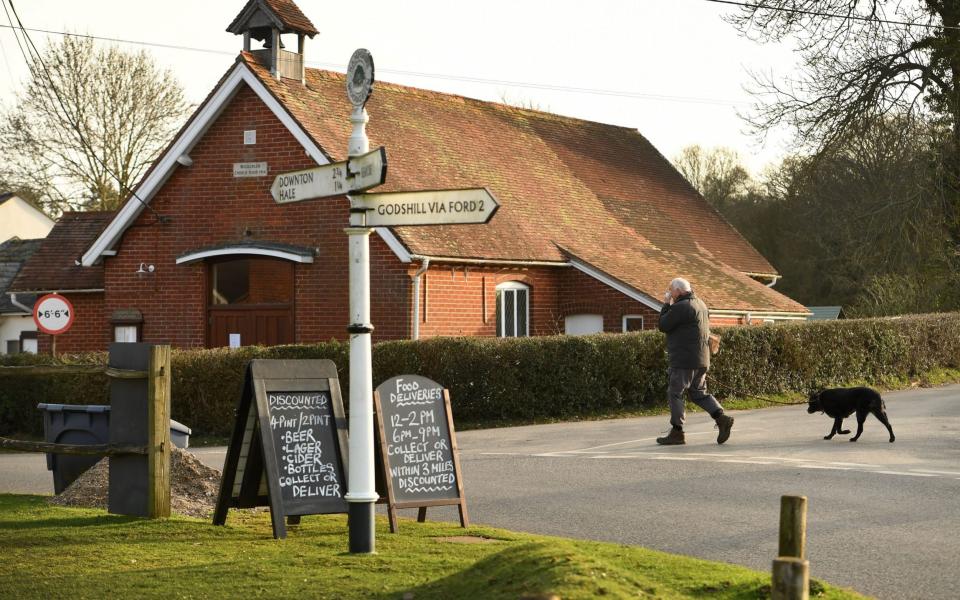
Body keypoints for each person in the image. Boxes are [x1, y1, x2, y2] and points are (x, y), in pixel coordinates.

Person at [655, 277, 733, 445]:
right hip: (702, 358)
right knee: (698, 392)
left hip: (684, 360)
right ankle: (722, 418)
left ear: (678, 291)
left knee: (675, 392)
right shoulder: (701, 304)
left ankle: (677, 432)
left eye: (671, 291)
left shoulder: (681, 306)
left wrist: (666, 303)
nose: (670, 294)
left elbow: (663, 325)